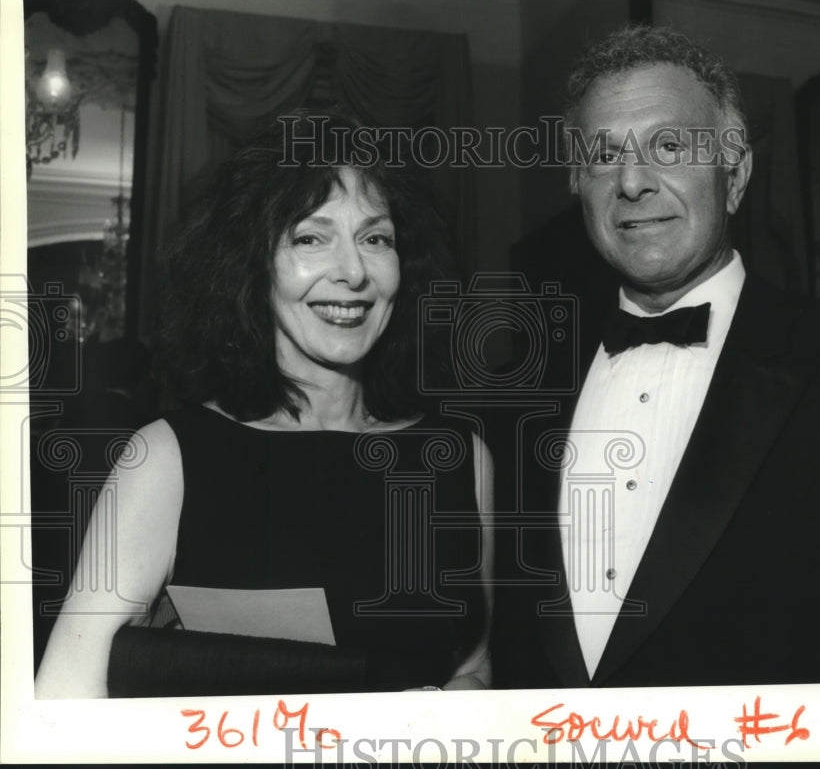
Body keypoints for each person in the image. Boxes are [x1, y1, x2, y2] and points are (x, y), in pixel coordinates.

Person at [491, 25, 820, 688]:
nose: (632, 182)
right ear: (578, 183)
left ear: (736, 174)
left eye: (669, 145)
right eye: (604, 156)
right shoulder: (518, 392)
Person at [35, 111, 492, 698]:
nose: (353, 272)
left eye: (376, 238)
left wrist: (457, 702)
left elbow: (475, 661)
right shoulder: (168, 456)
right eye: (310, 237)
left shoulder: (462, 460)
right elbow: (68, 697)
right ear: (253, 265)